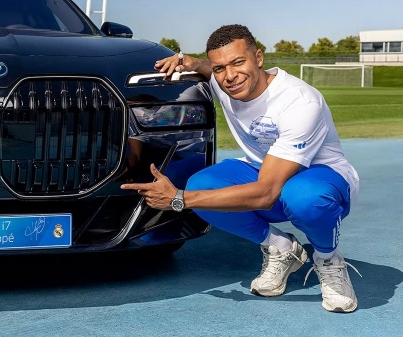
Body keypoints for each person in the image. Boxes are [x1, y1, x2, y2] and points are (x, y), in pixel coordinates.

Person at [121, 24, 361, 313]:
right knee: (201, 186)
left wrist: (179, 199)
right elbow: (206, 68)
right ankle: (281, 248)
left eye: (238, 62)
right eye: (220, 68)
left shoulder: (300, 102)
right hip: (265, 171)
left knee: (303, 197)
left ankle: (327, 258)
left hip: (322, 179)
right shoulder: (225, 84)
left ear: (258, 58)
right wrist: (189, 61)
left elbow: (266, 194)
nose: (230, 76)